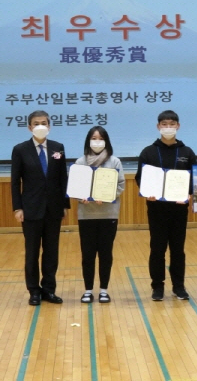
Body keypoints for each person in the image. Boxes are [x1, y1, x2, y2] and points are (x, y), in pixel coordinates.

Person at [135, 110, 197, 301]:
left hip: (179, 209)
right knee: (157, 249)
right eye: (164, 124)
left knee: (178, 249)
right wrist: (147, 192)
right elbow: (140, 178)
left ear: (178, 126)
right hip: (156, 209)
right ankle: (157, 287)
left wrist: (188, 195)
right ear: (158, 127)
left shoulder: (187, 152)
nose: (168, 127)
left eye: (171, 124)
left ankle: (179, 286)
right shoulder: (148, 152)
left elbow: (195, 180)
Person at [11, 110, 70, 306]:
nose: (40, 126)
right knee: (32, 253)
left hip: (53, 209)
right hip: (30, 209)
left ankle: (49, 290)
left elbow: (63, 178)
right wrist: (17, 208)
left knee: (51, 252)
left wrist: (65, 205)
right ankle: (34, 291)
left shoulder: (58, 148)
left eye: (44, 122)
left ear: (49, 126)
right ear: (30, 127)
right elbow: (15, 182)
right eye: (36, 123)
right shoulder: (20, 150)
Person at [74, 126, 125, 304]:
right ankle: (88, 290)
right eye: (94, 138)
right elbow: (75, 187)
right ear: (88, 141)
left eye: (101, 138)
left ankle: (104, 290)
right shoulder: (80, 162)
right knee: (87, 254)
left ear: (106, 141)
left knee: (105, 253)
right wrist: (81, 197)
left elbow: (121, 185)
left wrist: (107, 195)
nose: (97, 141)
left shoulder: (114, 162)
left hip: (108, 214)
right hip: (86, 215)